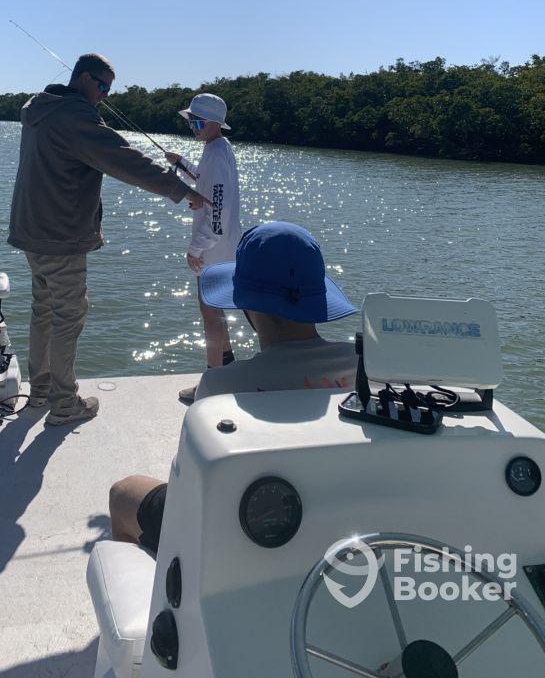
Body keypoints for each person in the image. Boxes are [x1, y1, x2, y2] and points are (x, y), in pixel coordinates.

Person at [109, 221, 358, 553]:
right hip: (339, 525)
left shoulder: (222, 386)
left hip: (239, 531)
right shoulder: (364, 367)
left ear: (247, 305)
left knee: (123, 492)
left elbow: (191, 483)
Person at [8, 52, 208, 427]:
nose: (104, 95)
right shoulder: (76, 118)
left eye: (108, 89)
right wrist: (181, 191)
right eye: (101, 86)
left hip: (30, 231)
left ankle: (40, 389)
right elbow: (124, 159)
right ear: (83, 78)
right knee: (69, 314)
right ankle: (64, 403)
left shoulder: (38, 110)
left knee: (43, 309)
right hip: (60, 235)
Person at [164, 93, 242, 404]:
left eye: (197, 122)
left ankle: (211, 384)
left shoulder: (217, 153)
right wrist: (181, 163)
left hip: (214, 251)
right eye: (190, 121)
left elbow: (218, 211)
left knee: (210, 314)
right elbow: (206, 181)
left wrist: (196, 248)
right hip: (221, 249)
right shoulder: (217, 149)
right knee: (215, 312)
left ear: (214, 124)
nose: (193, 127)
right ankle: (228, 368)